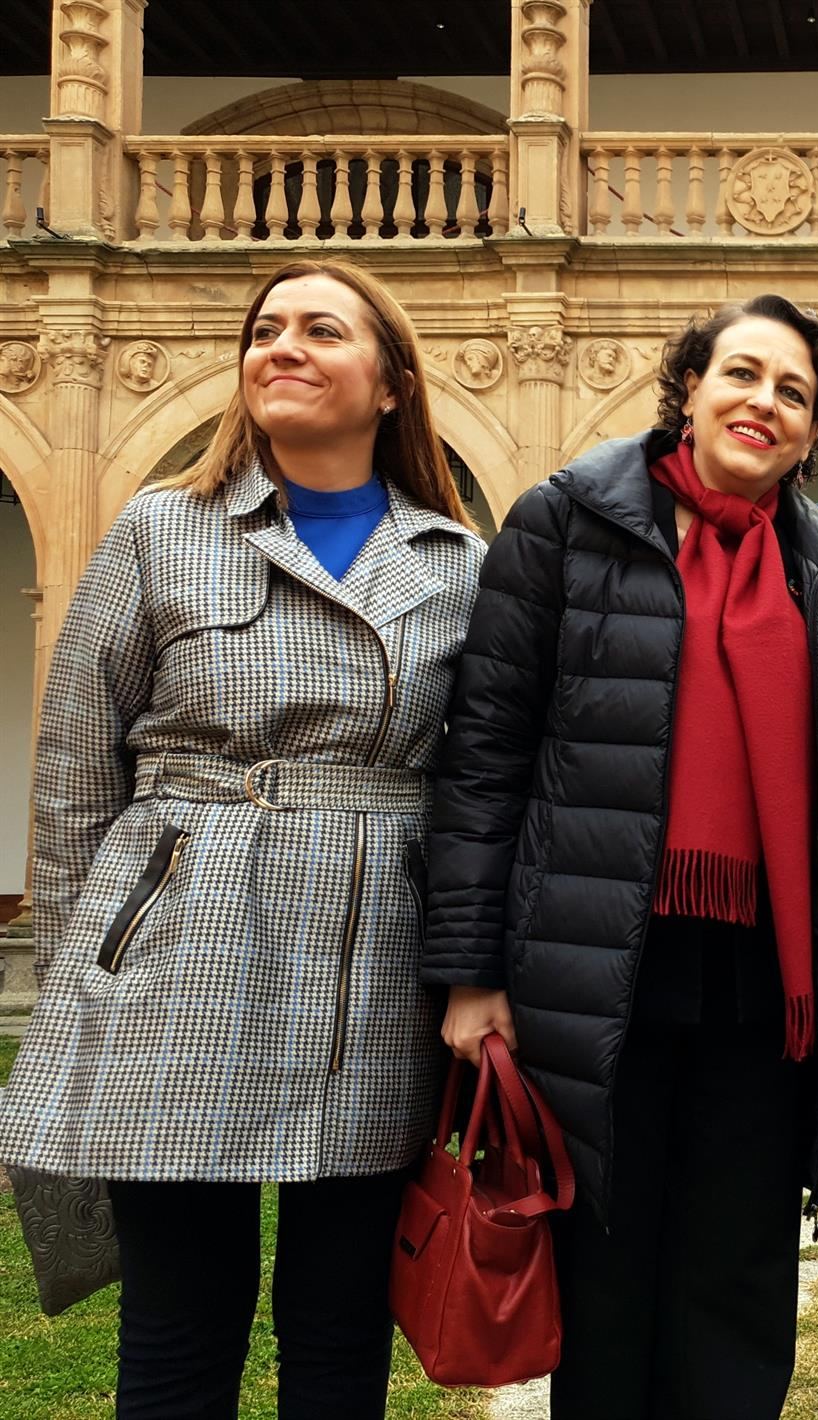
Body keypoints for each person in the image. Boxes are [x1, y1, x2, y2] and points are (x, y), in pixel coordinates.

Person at [0, 258, 484, 1417]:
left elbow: (482, 789)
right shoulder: (159, 531)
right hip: (180, 946)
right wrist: (84, 968)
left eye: (323, 329)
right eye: (265, 328)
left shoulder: (459, 565)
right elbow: (72, 767)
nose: (283, 346)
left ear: (393, 383)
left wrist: (471, 974)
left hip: (372, 961)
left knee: (339, 1322)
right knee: (180, 1324)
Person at [423, 295, 818, 1419]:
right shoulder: (566, 520)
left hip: (764, 985)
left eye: (794, 393)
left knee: (738, 1281)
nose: (764, 402)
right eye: (743, 374)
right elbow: (485, 756)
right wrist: (472, 974)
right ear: (689, 387)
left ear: (814, 434)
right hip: (594, 970)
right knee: (607, 1283)